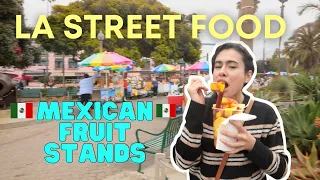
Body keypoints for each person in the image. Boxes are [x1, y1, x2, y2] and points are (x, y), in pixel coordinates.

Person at [171, 42, 290, 179]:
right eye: (217, 66)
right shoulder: (201, 109)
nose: (222, 71)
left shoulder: (265, 113)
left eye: (232, 66)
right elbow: (183, 163)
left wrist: (252, 146)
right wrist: (196, 110)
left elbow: (281, 171)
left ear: (248, 76)